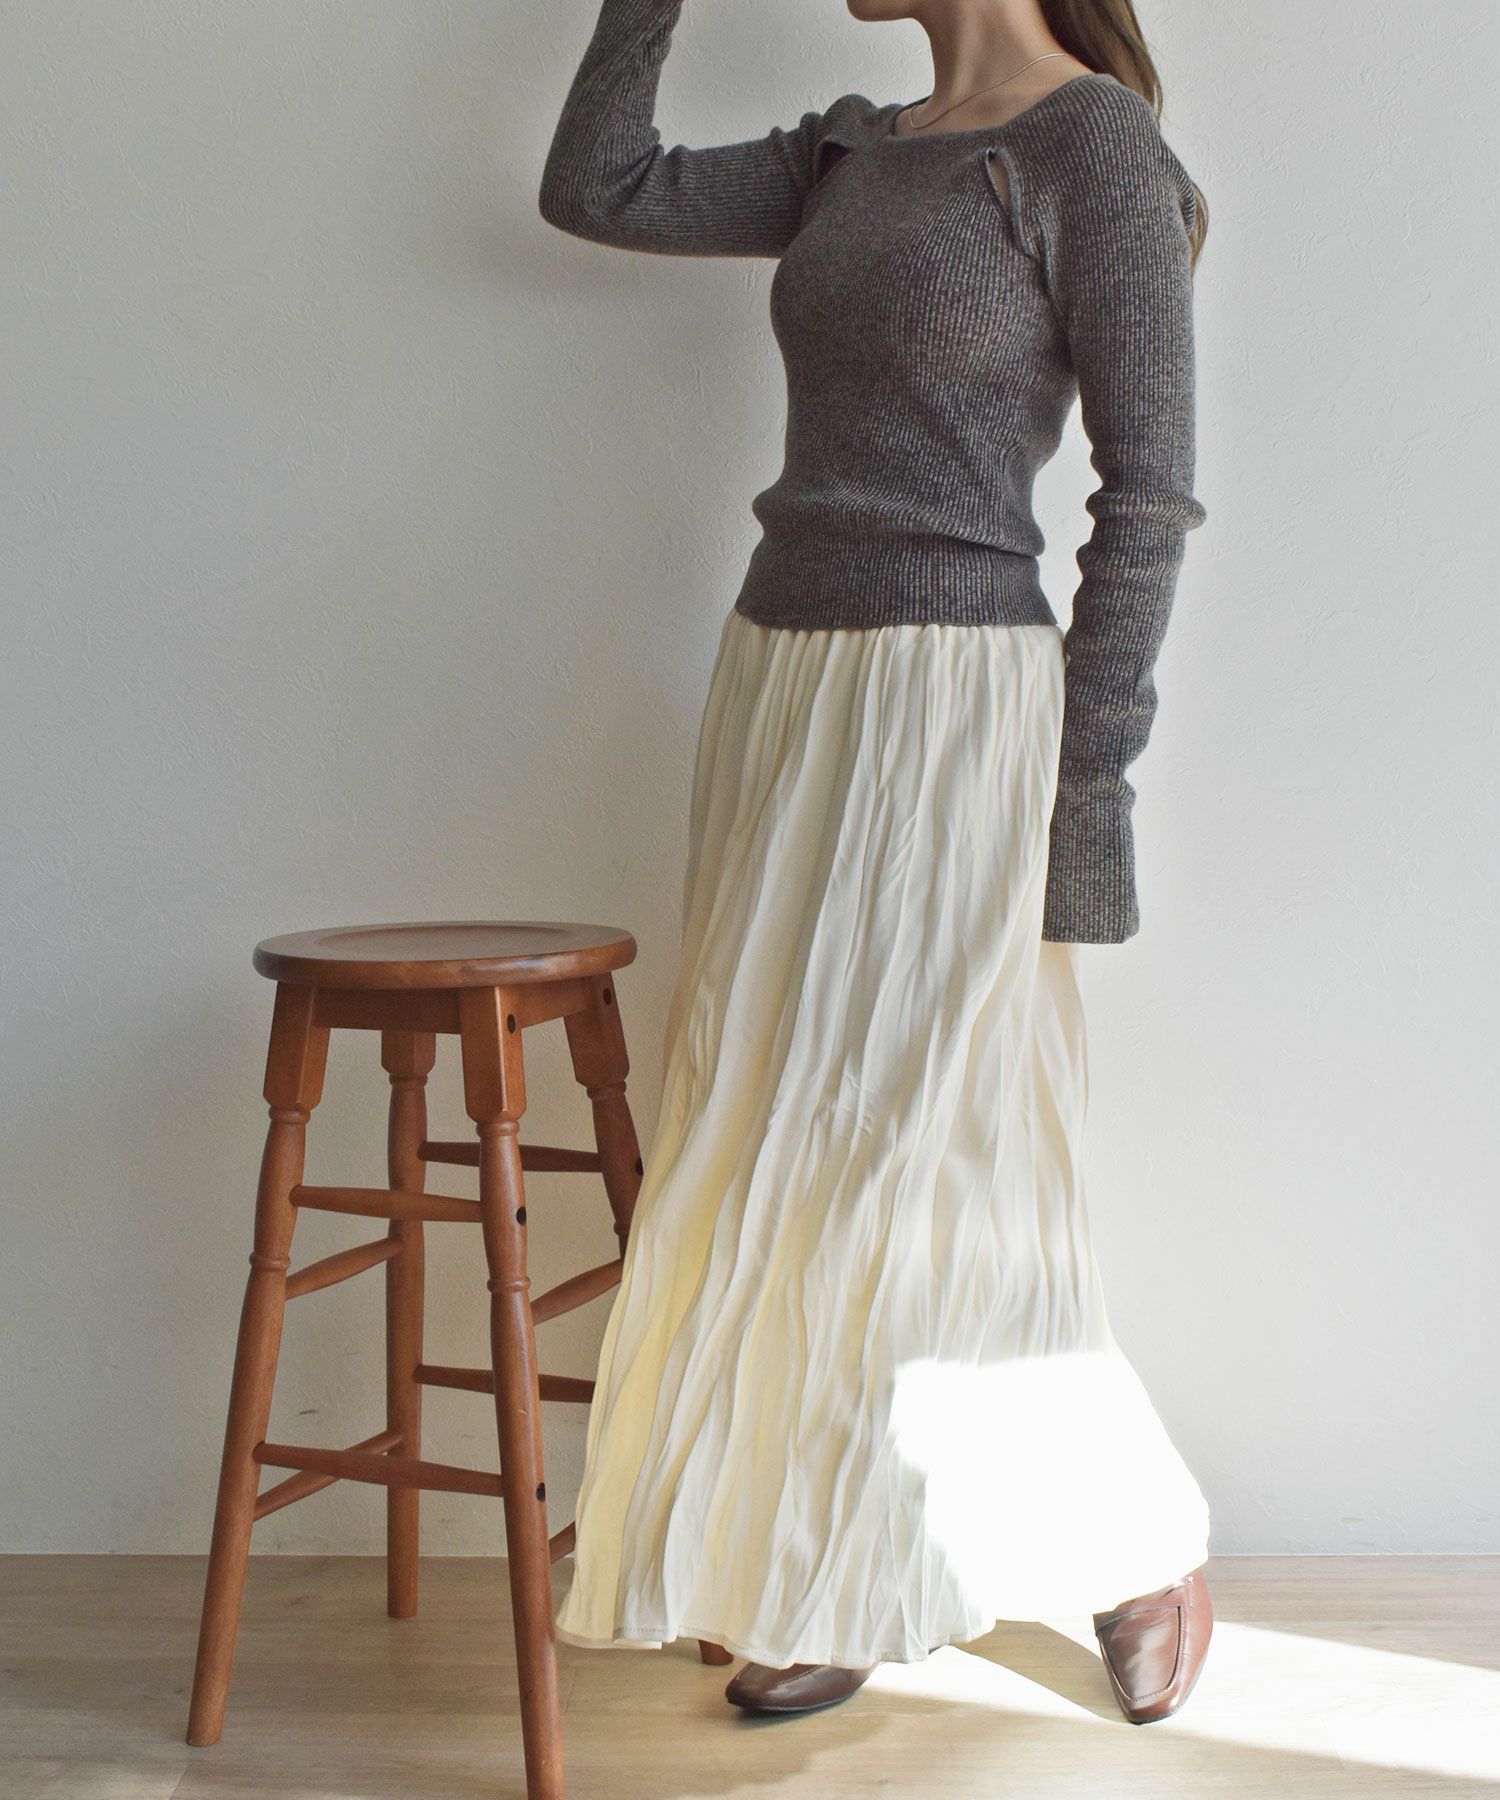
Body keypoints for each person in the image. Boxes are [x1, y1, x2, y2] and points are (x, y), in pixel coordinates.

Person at [535, 0, 1214, 1728]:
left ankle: (1111, 1538)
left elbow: (1148, 495)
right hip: (780, 680)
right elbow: (598, 185)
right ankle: (837, 1550)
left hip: (954, 699)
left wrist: (1088, 781)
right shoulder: (850, 151)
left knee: (924, 1149)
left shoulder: (1090, 154)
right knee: (780, 1128)